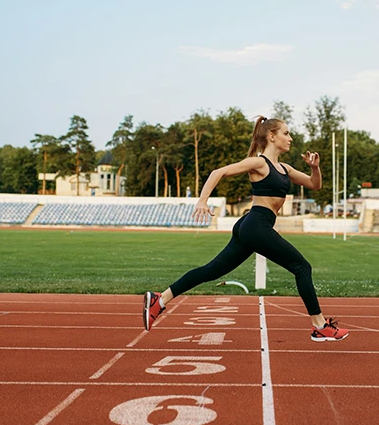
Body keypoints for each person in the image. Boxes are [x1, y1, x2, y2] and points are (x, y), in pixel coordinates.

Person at [143, 116, 349, 342]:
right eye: (286, 133)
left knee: (211, 271)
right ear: (272, 136)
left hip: (251, 226)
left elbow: (314, 184)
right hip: (256, 225)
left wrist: (315, 168)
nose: (290, 138)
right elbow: (217, 172)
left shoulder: (285, 168)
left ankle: (159, 300)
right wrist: (202, 200)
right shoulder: (259, 163)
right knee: (302, 267)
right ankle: (319, 325)